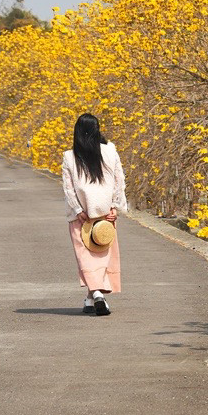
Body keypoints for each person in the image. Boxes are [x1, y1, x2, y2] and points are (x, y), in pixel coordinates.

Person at [61, 113, 128, 316]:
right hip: (105, 217)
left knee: (86, 257)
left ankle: (96, 294)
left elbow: (69, 189)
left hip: (83, 217)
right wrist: (115, 207)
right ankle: (92, 299)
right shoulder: (110, 152)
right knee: (102, 256)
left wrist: (78, 210)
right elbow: (119, 180)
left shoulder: (69, 157)